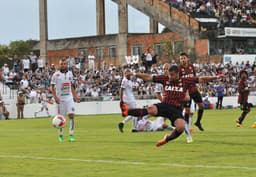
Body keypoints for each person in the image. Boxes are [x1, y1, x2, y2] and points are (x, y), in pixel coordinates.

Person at [121, 65, 223, 147]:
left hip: (176, 109)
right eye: (169, 74)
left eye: (172, 75)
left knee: (181, 127)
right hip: (165, 105)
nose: (170, 77)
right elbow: (148, 77)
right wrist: (134, 74)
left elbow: (201, 79)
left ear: (177, 74)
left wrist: (215, 77)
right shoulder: (165, 79)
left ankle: (167, 139)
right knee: (150, 110)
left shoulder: (185, 81)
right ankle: (126, 112)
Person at [51, 58, 81, 142]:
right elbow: (52, 87)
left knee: (71, 115)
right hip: (60, 99)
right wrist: (55, 97)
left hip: (69, 98)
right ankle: (61, 135)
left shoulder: (70, 74)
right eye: (61, 64)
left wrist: (75, 97)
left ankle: (71, 135)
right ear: (59, 65)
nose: (63, 65)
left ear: (67, 65)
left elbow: (71, 86)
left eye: (64, 64)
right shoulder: (55, 75)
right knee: (61, 118)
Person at [179, 52, 205, 131]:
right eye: (181, 59)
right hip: (186, 92)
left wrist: (198, 86)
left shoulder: (191, 66)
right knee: (187, 110)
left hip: (194, 90)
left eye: (184, 58)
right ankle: (186, 127)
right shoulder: (179, 68)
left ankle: (198, 122)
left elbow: (194, 77)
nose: (183, 60)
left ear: (187, 58)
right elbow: (179, 81)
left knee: (201, 106)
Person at [118, 68, 139, 133]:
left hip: (130, 98)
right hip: (129, 99)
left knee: (132, 113)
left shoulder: (129, 80)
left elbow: (129, 89)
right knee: (135, 113)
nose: (130, 74)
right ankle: (134, 128)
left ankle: (122, 123)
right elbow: (121, 89)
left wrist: (134, 89)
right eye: (128, 73)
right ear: (126, 74)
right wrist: (121, 100)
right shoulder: (124, 80)